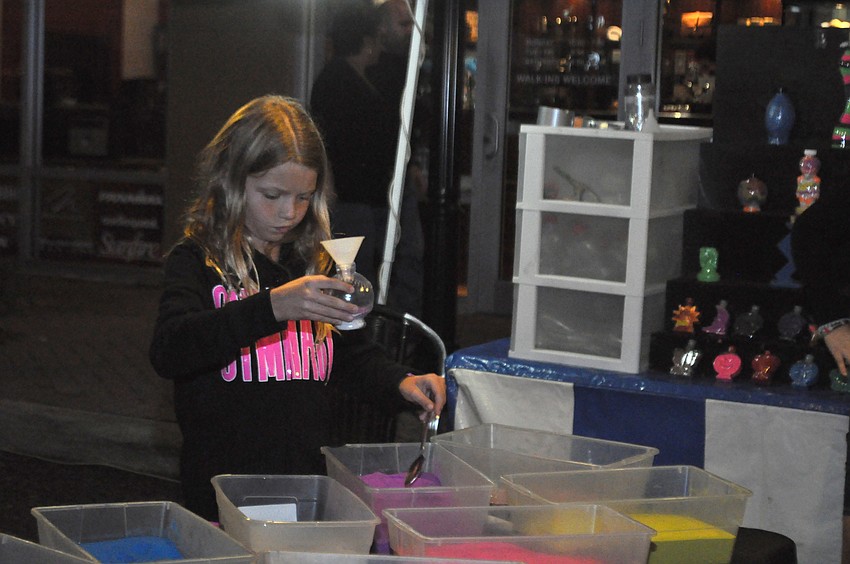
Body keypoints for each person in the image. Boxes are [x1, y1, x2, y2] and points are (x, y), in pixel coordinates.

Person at [148, 95, 445, 521]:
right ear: (232, 182)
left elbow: (349, 357)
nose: (289, 212)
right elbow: (170, 349)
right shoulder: (197, 261)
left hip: (305, 488)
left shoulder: (309, 262)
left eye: (304, 197)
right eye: (272, 195)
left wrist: (401, 381)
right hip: (221, 493)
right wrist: (272, 307)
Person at [310, 0, 424, 316]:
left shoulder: (369, 76)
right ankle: (365, 331)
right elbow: (324, 139)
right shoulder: (336, 80)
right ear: (365, 40)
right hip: (353, 192)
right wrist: (329, 185)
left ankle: (391, 328)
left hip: (376, 188)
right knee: (358, 271)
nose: (377, 46)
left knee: (391, 261)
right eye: (373, 39)